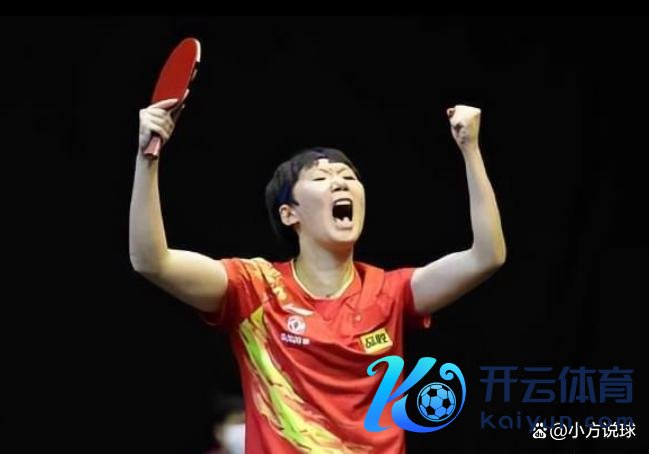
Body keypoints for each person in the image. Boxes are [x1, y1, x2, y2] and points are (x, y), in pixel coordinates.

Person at [129, 98, 506, 453]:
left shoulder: (391, 293)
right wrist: (147, 158)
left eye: (348, 176)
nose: (340, 182)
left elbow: (487, 256)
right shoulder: (255, 289)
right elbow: (152, 261)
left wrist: (470, 149)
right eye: (321, 177)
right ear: (289, 213)